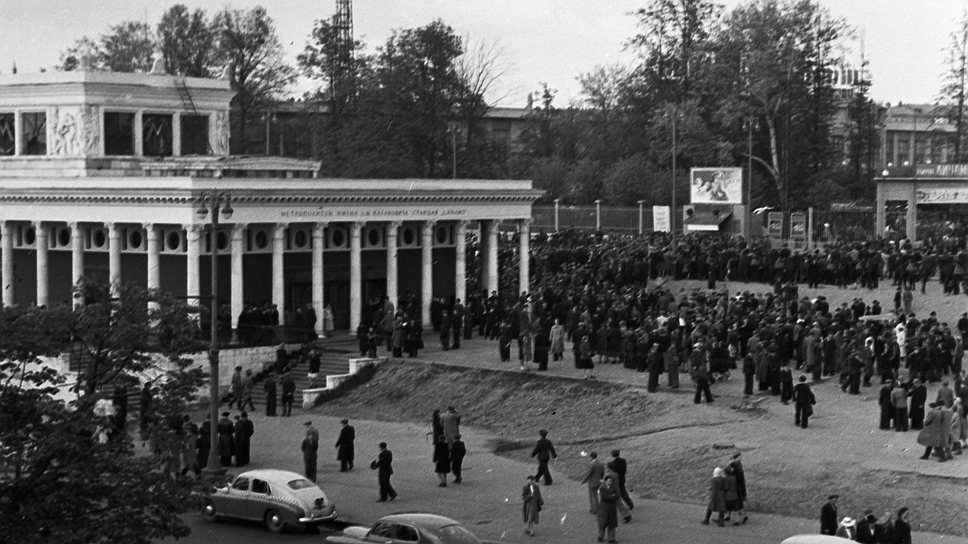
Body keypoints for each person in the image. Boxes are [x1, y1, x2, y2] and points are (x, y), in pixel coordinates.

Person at [607, 450, 634, 518]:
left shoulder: (613, 463)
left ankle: (626, 506)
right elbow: (624, 470)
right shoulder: (623, 460)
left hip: (617, 479)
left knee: (620, 493)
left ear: (613, 455)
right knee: (623, 491)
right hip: (622, 478)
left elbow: (614, 471)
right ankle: (629, 502)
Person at [597, 475, 619, 543]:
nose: (610, 482)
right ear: (605, 481)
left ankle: (611, 539)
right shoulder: (602, 488)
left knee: (612, 524)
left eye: (611, 481)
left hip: (612, 508)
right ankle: (601, 537)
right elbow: (604, 497)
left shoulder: (614, 487)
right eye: (609, 481)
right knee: (603, 523)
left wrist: (611, 497)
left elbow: (617, 496)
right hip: (604, 508)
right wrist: (612, 496)